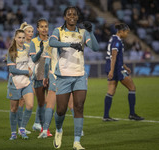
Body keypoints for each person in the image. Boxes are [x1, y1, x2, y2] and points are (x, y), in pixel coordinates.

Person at [49, 6, 99, 150]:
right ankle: (59, 130)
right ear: (65, 17)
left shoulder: (83, 32)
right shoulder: (58, 30)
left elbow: (95, 48)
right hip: (63, 76)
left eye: (74, 14)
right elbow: (52, 43)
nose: (72, 16)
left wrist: (91, 32)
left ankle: (76, 142)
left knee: (79, 106)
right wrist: (70, 44)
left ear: (77, 17)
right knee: (61, 110)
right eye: (69, 14)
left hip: (79, 75)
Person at [103, 23, 144, 121]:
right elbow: (114, 56)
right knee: (132, 87)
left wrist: (125, 66)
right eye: (126, 32)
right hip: (117, 69)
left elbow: (117, 57)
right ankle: (132, 114)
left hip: (115, 67)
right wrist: (112, 71)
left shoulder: (113, 39)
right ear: (121, 32)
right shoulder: (117, 41)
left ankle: (106, 116)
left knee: (111, 91)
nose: (127, 34)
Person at [6, 29, 34, 140]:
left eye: (23, 37)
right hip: (15, 83)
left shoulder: (27, 49)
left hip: (26, 82)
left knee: (30, 105)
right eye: (19, 37)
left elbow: (31, 62)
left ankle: (22, 128)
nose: (22, 40)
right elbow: (12, 69)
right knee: (14, 109)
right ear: (15, 38)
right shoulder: (11, 52)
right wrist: (26, 72)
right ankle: (13, 132)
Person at [29, 18, 52, 136]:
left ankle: (45, 128)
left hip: (51, 76)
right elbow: (33, 59)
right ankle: (42, 128)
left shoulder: (52, 41)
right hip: (38, 76)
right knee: (42, 103)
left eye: (46, 26)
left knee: (50, 103)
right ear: (37, 29)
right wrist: (41, 51)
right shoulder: (34, 42)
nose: (44, 29)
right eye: (42, 27)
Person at [16, 22, 35, 135]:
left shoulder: (33, 44)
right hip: (23, 75)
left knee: (26, 102)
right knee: (22, 102)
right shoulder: (22, 45)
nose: (31, 33)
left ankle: (22, 127)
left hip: (32, 75)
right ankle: (20, 127)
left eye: (32, 31)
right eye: (28, 31)